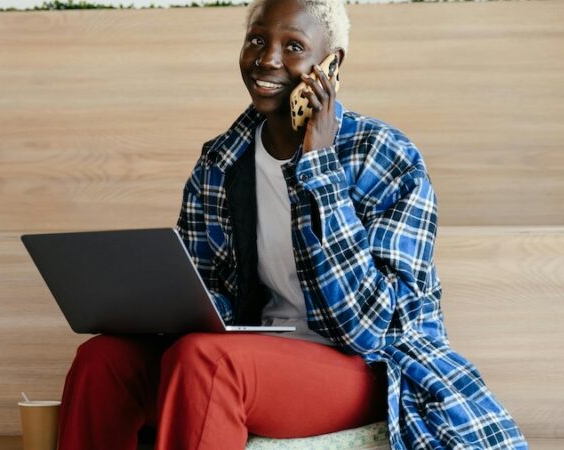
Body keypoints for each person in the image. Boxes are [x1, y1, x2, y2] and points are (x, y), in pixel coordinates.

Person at [57, 0, 529, 448]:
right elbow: (209, 293)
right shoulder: (221, 162)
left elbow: (371, 329)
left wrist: (318, 167)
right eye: (256, 40)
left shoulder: (385, 156)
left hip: (366, 367)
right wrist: (155, 303)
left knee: (205, 360)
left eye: (294, 46)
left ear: (332, 64)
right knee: (103, 360)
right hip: (254, 355)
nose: (267, 59)